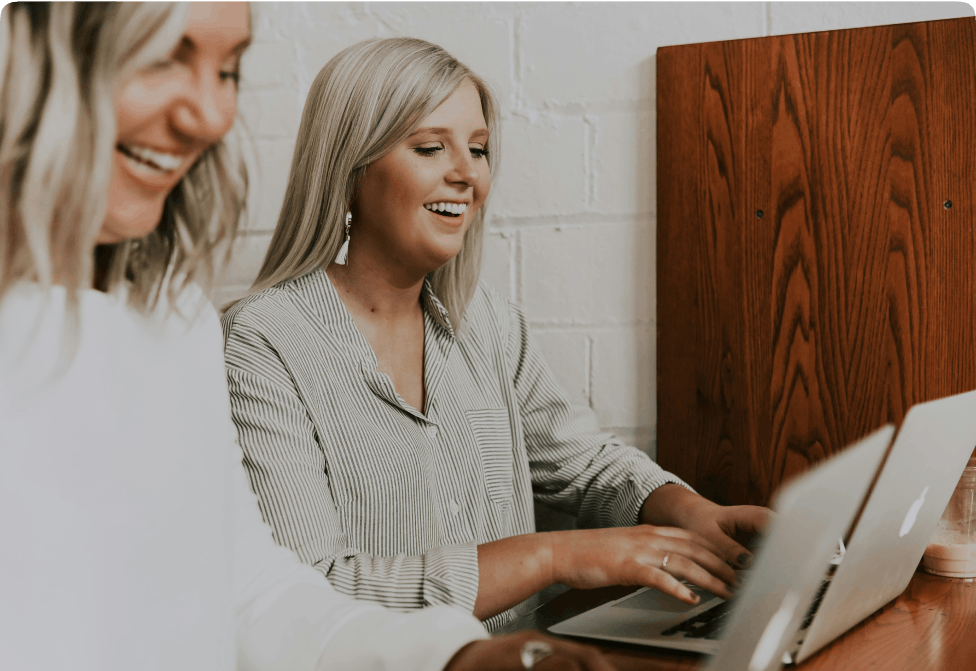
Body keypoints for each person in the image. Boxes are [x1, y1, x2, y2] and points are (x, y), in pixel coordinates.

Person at [0, 5, 634, 671]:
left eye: (227, 71)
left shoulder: (170, 315)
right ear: (29, 51)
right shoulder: (253, 336)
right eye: (160, 58)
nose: (211, 116)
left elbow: (253, 589)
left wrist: (444, 653)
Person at [221, 37, 771, 630]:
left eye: (479, 150)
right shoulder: (261, 343)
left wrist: (692, 512)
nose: (467, 174)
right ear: (350, 170)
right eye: (431, 147)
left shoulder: (486, 324)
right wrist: (555, 556)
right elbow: (313, 593)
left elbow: (582, 463)